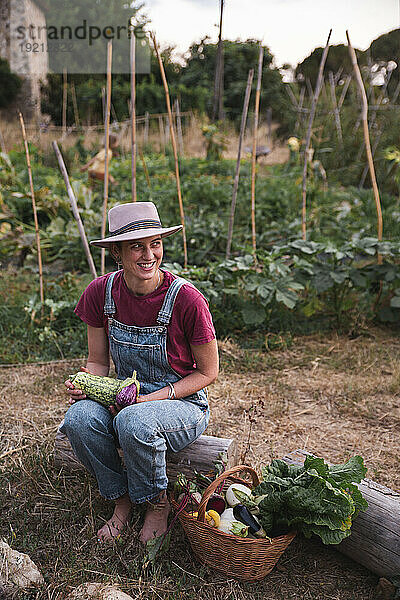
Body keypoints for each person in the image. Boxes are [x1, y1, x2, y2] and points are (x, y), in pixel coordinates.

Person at [63, 202, 219, 544]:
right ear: (117, 252)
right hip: (124, 394)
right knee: (78, 419)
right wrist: (86, 384)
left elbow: (208, 372)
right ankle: (121, 501)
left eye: (155, 244)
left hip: (183, 402)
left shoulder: (186, 299)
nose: (149, 254)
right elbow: (99, 362)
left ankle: (156, 503)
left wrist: (148, 399)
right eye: (136, 246)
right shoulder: (100, 292)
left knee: (134, 422)